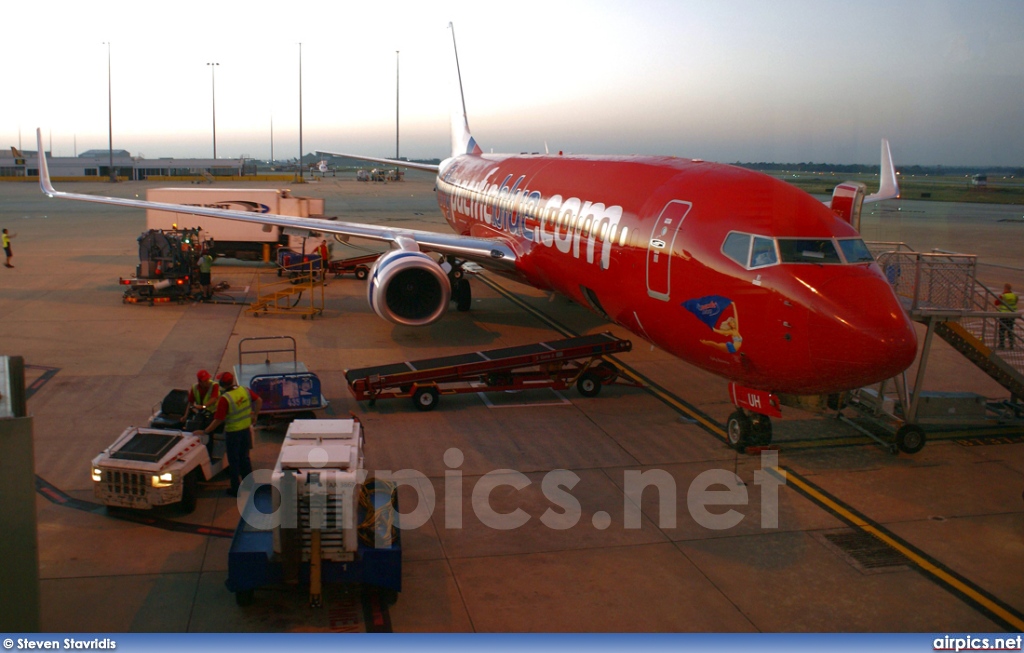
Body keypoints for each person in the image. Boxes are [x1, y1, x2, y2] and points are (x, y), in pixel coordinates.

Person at [195, 372, 261, 497]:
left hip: (233, 433)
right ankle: (249, 485)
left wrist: (205, 431)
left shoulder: (225, 399)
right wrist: (255, 415)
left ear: (222, 384)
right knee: (245, 458)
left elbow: (218, 420)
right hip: (245, 431)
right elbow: (259, 400)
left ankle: (235, 489)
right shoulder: (244, 390)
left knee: (234, 462)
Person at [995, 283, 1019, 350]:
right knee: (1010, 330)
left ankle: (1002, 344)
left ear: (1005, 288)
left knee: (1002, 330)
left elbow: (996, 303)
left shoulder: (1003, 296)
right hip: (1012, 315)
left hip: (1004, 315)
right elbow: (1016, 302)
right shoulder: (1014, 296)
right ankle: (1011, 345)